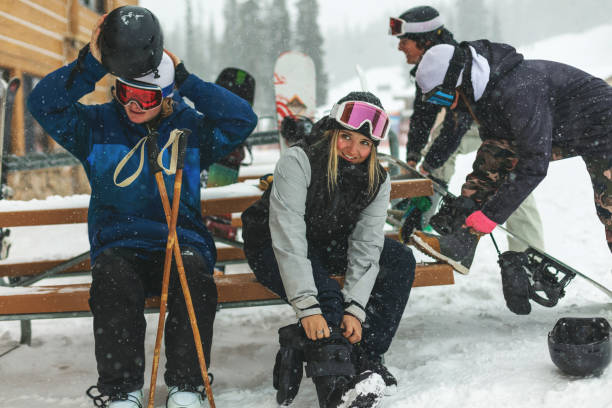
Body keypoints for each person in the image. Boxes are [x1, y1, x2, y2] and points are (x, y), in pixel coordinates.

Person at [27, 14, 257, 408]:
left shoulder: (189, 129)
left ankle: (187, 385)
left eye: (146, 97)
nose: (133, 104)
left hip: (179, 241)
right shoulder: (95, 127)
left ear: (166, 96)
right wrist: (95, 63)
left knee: (195, 278)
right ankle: (121, 389)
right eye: (125, 92)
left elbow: (242, 119)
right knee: (113, 279)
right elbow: (42, 104)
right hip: (120, 244)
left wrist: (185, 78)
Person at [241, 92, 416, 408]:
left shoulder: (377, 178)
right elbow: (289, 238)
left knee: (398, 259)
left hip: (328, 242)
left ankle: (366, 356)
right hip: (273, 242)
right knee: (325, 298)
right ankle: (336, 391)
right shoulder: (299, 161)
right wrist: (308, 307)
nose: (354, 150)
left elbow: (366, 245)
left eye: (365, 143)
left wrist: (356, 309)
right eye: (346, 137)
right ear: (333, 131)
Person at [410, 40, 612, 274]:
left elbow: (534, 163)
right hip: (568, 131)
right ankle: (461, 245)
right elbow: (494, 153)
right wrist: (466, 208)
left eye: (443, 98)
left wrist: (489, 217)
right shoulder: (484, 95)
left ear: (459, 80)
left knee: (610, 208)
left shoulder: (519, 90)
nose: (446, 106)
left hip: (605, 129)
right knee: (496, 157)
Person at [389, 6, 543, 252]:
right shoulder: (429, 68)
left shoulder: (454, 67)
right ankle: (422, 209)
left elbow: (455, 127)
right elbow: (423, 114)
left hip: (512, 124)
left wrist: (427, 168)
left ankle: (528, 255)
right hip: (479, 126)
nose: (399, 47)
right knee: (439, 154)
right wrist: (414, 156)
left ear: (424, 40)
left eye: (404, 41)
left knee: (510, 179)